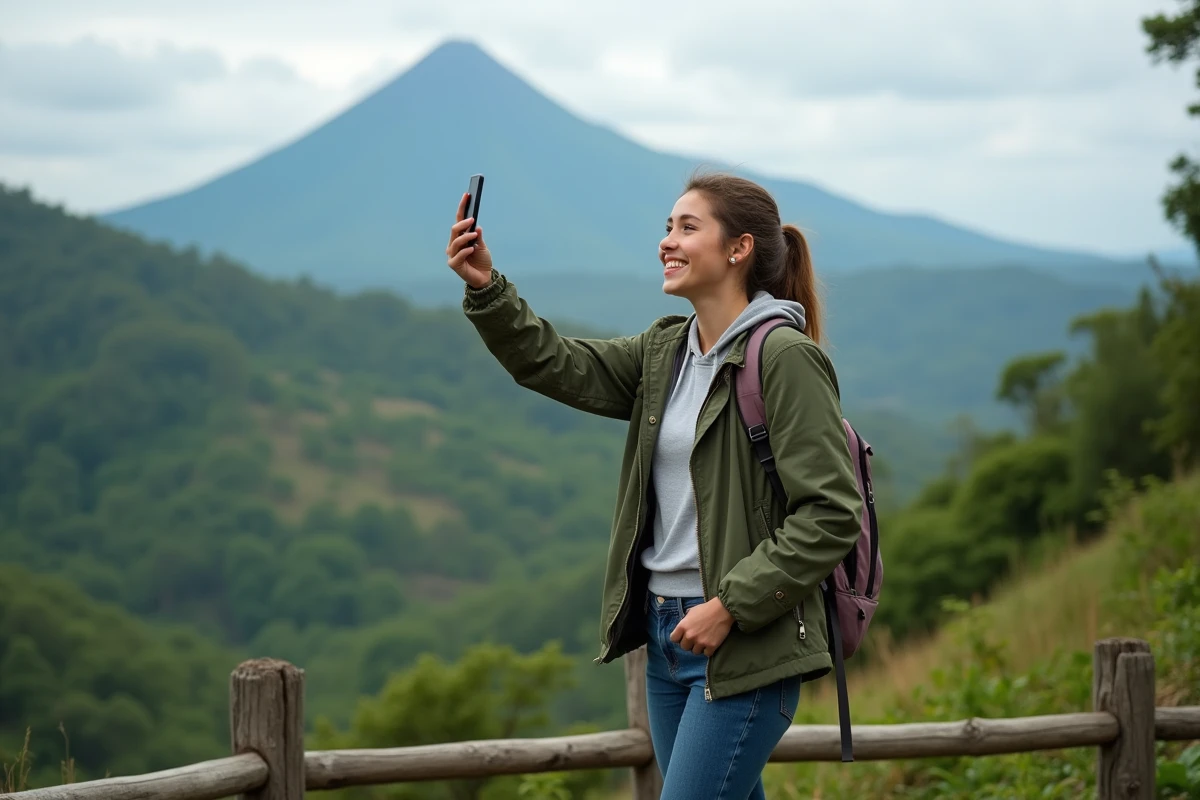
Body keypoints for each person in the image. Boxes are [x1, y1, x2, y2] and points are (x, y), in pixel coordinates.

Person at [446, 171, 862, 799]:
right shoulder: (665, 351)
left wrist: (730, 606)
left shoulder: (784, 357)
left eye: (688, 227)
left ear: (739, 248)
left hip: (743, 640)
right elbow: (555, 363)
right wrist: (488, 288)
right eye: (668, 227)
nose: (668, 240)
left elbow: (830, 513)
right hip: (666, 639)